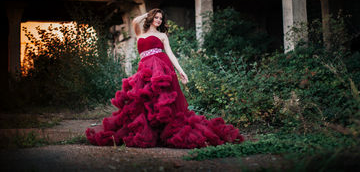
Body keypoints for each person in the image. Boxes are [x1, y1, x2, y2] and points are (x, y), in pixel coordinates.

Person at [86, 8, 244, 148]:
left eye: (160, 19)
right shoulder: (140, 33)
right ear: (151, 18)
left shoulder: (162, 35)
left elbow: (170, 54)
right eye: (156, 17)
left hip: (162, 68)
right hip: (145, 69)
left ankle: (166, 133)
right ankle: (151, 132)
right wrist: (149, 13)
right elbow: (135, 20)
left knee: (164, 103)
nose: (158, 20)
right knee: (145, 102)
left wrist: (181, 71)